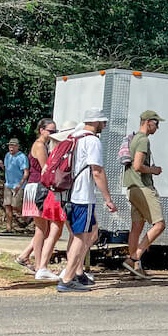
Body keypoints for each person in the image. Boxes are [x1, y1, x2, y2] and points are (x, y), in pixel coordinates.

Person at [58, 109, 117, 293]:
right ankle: (67, 279)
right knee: (81, 237)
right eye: (103, 122)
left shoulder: (75, 136)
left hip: (68, 194)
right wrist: (108, 198)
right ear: (95, 122)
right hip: (82, 195)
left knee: (90, 233)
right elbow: (97, 171)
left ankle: (77, 272)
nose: (105, 125)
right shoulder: (92, 141)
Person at [122, 110, 165, 279]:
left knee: (137, 227)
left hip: (132, 188)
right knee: (159, 225)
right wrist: (154, 170)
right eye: (157, 123)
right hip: (142, 187)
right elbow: (138, 165)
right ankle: (133, 258)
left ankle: (136, 268)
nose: (158, 127)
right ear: (148, 122)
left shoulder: (134, 138)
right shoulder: (143, 140)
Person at [34, 124, 74, 283]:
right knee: (76, 233)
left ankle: (43, 267)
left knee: (54, 232)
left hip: (52, 194)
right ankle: (71, 268)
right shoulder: (67, 151)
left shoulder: (55, 151)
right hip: (62, 196)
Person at [16, 119, 55, 272]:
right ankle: (39, 264)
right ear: (41, 130)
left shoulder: (43, 145)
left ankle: (26, 256)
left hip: (37, 187)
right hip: (37, 187)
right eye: (50, 131)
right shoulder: (39, 145)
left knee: (43, 228)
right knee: (41, 228)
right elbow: (46, 168)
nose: (53, 134)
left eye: (55, 132)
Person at [2, 138, 28, 232]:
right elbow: (7, 169)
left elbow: (26, 172)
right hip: (8, 184)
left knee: (16, 206)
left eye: (13, 145)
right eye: (10, 145)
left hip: (18, 185)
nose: (11, 147)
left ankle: (27, 216)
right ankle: (8, 228)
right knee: (8, 205)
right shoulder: (7, 156)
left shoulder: (22, 157)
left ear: (17, 146)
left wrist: (20, 184)